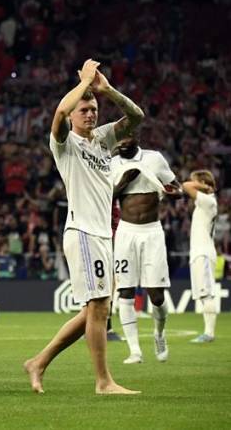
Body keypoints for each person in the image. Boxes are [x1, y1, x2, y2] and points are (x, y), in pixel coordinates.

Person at [24, 59, 142, 395]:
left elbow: (137, 118)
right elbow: (59, 115)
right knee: (100, 309)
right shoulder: (65, 143)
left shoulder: (103, 140)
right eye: (84, 109)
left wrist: (106, 90)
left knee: (93, 309)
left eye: (93, 109)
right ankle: (104, 382)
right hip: (84, 233)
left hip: (103, 235)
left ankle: (39, 362)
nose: (90, 114)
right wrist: (84, 82)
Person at [110, 135, 179, 364]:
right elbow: (105, 197)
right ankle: (135, 351)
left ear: (135, 137)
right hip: (126, 232)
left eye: (125, 138)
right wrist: (124, 182)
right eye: (117, 140)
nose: (120, 143)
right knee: (125, 291)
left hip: (152, 232)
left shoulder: (154, 158)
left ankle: (159, 334)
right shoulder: (112, 163)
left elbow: (175, 187)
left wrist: (174, 193)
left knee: (156, 295)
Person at [183, 170, 219, 343]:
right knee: (204, 295)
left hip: (203, 252)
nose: (193, 183)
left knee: (207, 294)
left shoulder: (208, 200)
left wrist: (203, 185)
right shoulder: (203, 203)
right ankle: (207, 332)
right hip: (199, 252)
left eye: (196, 181)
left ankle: (209, 333)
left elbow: (186, 186)